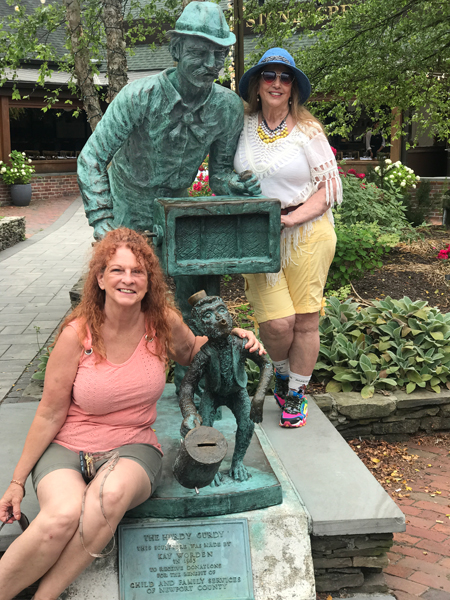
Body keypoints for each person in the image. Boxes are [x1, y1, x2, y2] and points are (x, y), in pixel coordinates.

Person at [0, 228, 263, 600]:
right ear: (101, 278)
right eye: (117, 270)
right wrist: (16, 481)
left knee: (108, 497)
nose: (128, 279)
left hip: (133, 446)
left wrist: (235, 333)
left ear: (148, 280)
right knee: (60, 516)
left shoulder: (162, 322)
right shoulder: (78, 335)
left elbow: (194, 351)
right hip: (69, 447)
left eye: (137, 271)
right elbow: (49, 412)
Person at [77, 0, 260, 319]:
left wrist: (236, 184)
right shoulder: (138, 97)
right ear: (176, 49)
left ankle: (199, 362)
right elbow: (91, 158)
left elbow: (218, 176)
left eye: (219, 54)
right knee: (125, 303)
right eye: (199, 52)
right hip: (127, 206)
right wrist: (103, 222)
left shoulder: (228, 108)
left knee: (203, 299)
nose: (210, 64)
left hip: (179, 208)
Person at [234, 48, 343, 429]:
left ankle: (295, 391)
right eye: (269, 76)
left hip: (308, 234)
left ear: (293, 87)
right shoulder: (240, 125)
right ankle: (280, 374)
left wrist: (291, 218)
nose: (277, 83)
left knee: (306, 321)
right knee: (278, 323)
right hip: (256, 236)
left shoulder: (309, 131)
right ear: (257, 85)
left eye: (285, 77)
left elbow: (330, 189)